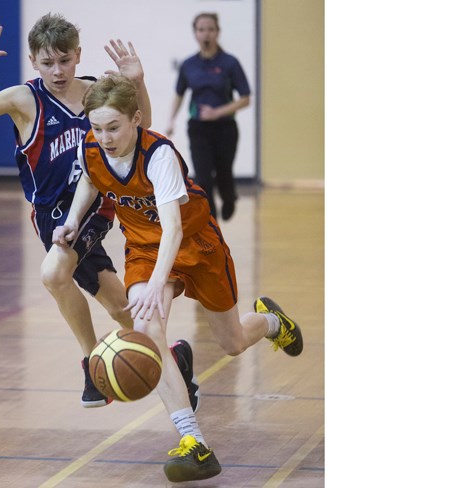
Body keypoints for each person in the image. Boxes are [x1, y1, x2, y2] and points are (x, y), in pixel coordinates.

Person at [0, 15, 199, 410]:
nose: (57, 71)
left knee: (53, 272)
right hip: (48, 216)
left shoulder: (97, 94)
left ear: (78, 55)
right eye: (47, 63)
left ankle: (91, 361)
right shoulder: (24, 100)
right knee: (120, 308)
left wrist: (140, 84)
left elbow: (141, 128)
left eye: (64, 60)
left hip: (93, 208)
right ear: (33, 61)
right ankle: (174, 357)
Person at [53, 75, 303, 483]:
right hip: (144, 248)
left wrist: (156, 282)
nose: (105, 137)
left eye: (113, 127)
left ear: (136, 119)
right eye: (97, 128)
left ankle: (272, 321)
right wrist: (71, 220)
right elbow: (90, 179)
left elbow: (173, 228)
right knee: (150, 332)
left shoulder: (159, 156)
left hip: (195, 245)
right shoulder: (92, 147)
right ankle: (194, 443)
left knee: (233, 343)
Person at [166, 12, 251, 221]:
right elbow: (179, 94)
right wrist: (171, 120)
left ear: (217, 32)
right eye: (201, 29)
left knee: (224, 173)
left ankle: (229, 198)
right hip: (198, 128)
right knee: (203, 177)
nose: (206, 34)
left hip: (225, 128)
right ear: (195, 33)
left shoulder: (230, 63)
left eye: (210, 29)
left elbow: (245, 98)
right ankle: (211, 221)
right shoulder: (188, 64)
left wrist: (218, 113)